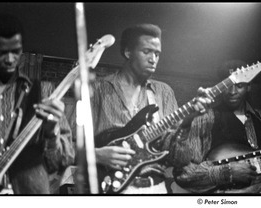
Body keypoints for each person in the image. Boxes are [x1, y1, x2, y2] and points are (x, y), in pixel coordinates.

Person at [91, 23, 213, 194]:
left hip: (154, 188)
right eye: (146, 51)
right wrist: (95, 154)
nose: (153, 59)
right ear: (128, 52)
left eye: (157, 54)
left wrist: (188, 121)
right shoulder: (98, 90)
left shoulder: (163, 92)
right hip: (107, 185)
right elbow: (65, 147)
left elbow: (178, 157)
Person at [0, 13, 75, 194]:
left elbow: (62, 161)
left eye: (16, 51)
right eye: (1, 52)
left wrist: (52, 131)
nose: (10, 59)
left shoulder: (45, 93)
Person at [171, 60, 261, 194]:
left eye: (239, 85)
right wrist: (227, 172)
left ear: (249, 86)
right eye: (227, 86)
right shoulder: (205, 119)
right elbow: (185, 174)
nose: (232, 92)